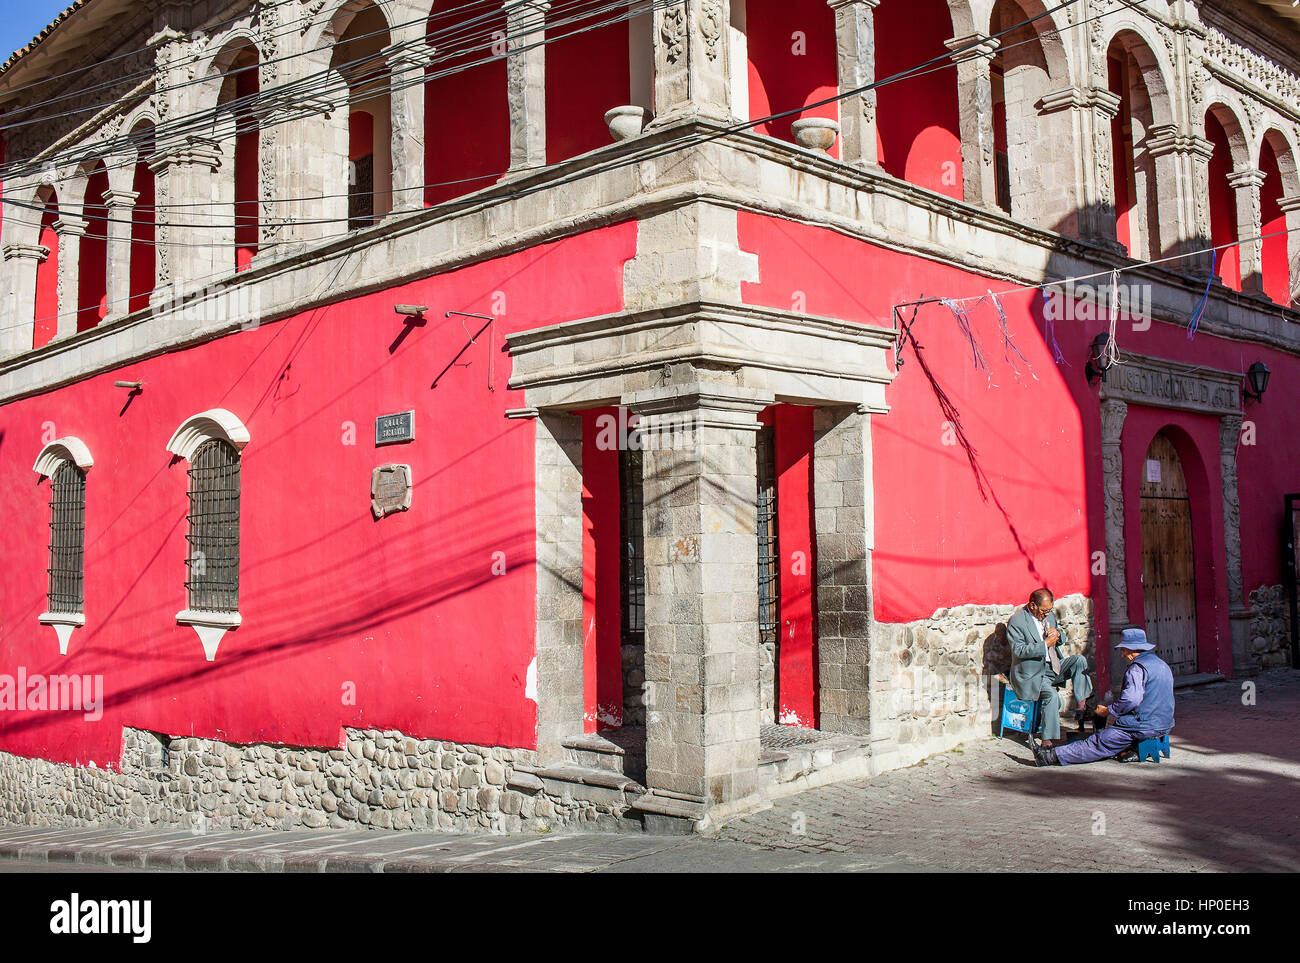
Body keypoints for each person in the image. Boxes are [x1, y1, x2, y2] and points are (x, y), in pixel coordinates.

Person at [1033, 628, 1174, 767]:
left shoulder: (1136, 669)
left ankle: (1049, 756)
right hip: (1165, 722)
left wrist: (1108, 710)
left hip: (1144, 726)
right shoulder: (1161, 664)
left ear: (1130, 650)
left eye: (1123, 650)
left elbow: (1131, 699)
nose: (1122, 655)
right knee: (1112, 731)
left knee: (1098, 743)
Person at [1007, 588, 1095, 748]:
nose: (1047, 614)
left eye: (1049, 610)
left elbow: (1060, 639)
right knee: (1052, 697)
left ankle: (1082, 704)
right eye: (1044, 611)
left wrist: (1058, 635)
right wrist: (1044, 644)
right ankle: (1047, 742)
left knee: (1079, 660)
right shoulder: (1017, 621)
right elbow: (1018, 650)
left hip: (1053, 667)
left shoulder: (1049, 616)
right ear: (1032, 605)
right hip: (1032, 673)